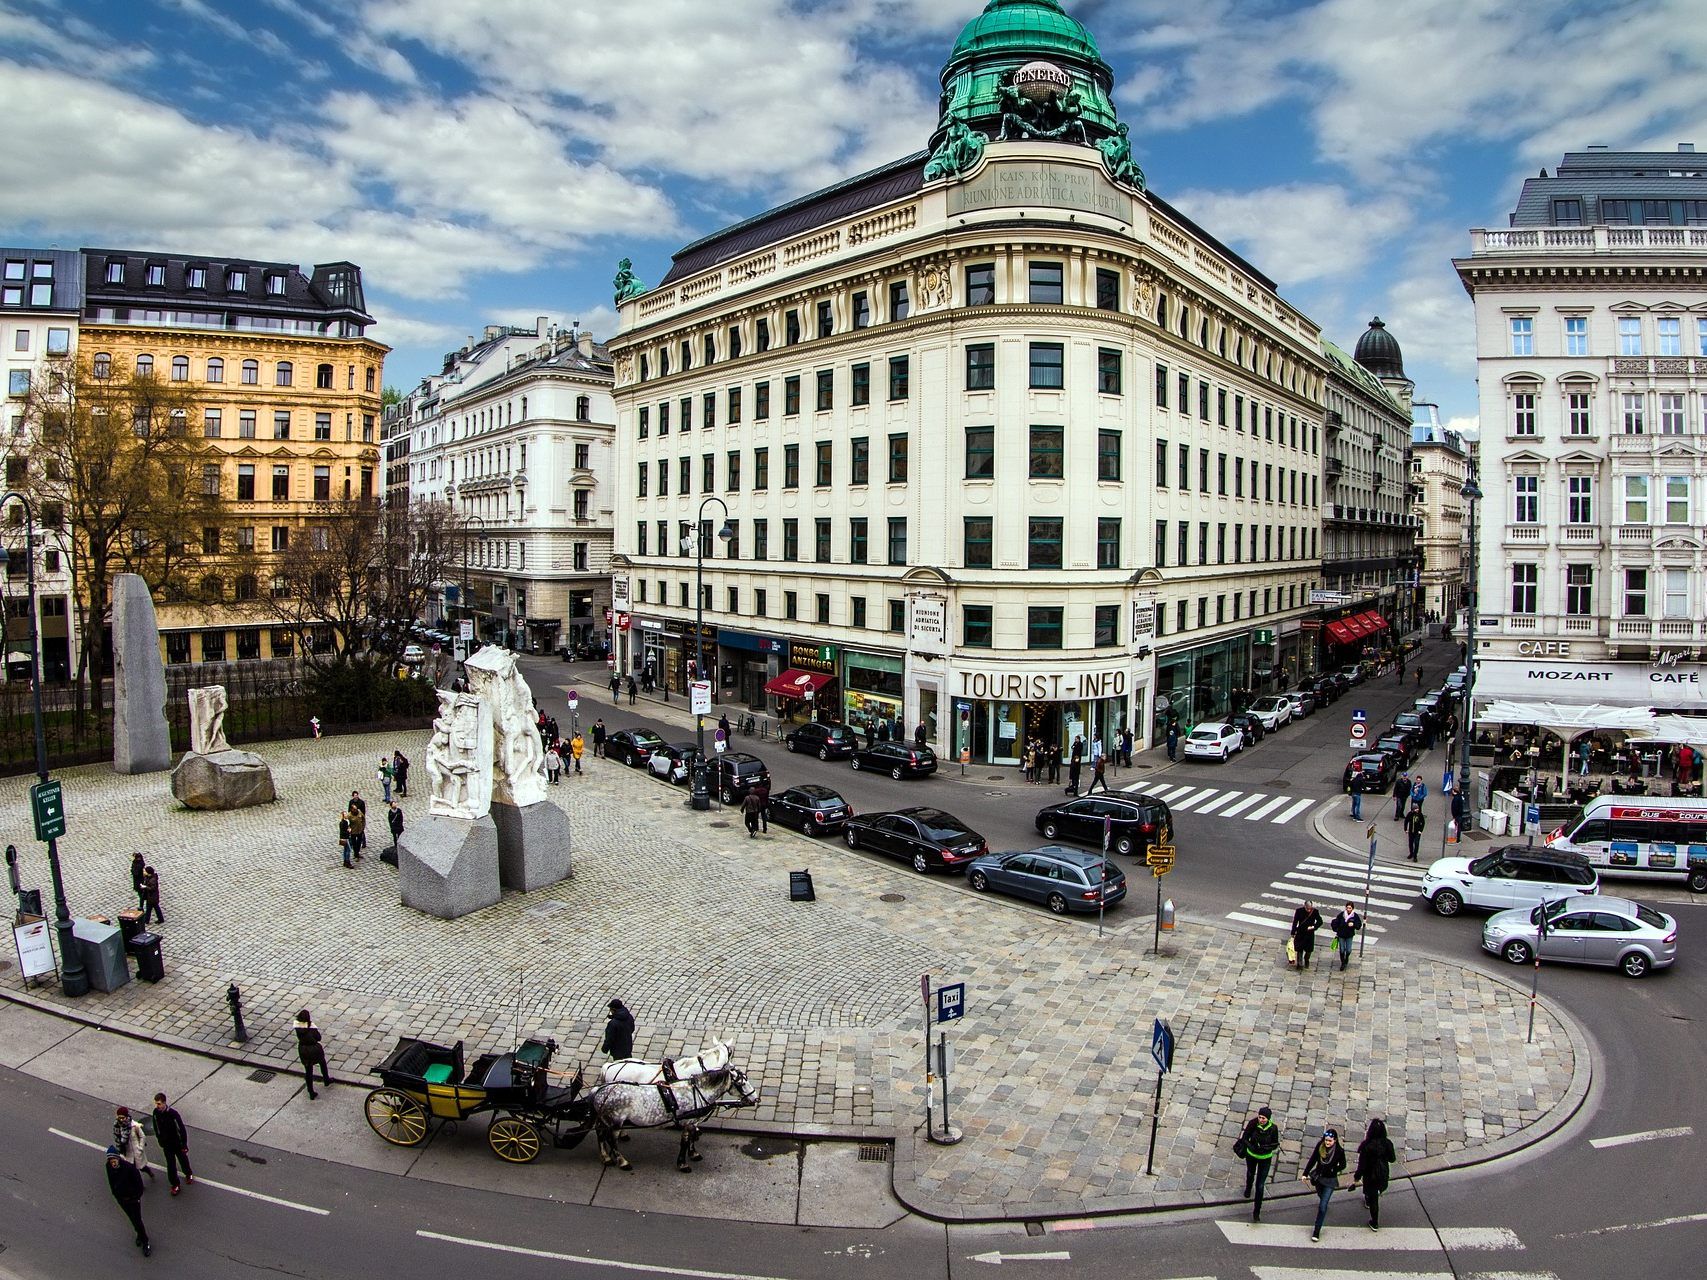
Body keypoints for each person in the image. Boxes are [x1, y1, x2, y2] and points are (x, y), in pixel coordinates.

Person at [1236, 1105, 1281, 1222]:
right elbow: (1245, 1138)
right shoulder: (1252, 1123)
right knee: (1250, 1173)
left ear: (1268, 1119)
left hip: (1265, 1158)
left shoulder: (1273, 1128)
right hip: (1252, 1155)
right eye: (1260, 1117)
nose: (1261, 1120)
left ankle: (1256, 1211)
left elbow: (1275, 1144)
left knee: (1260, 1185)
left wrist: (1265, 1148)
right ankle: (1248, 1188)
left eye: (1264, 1118)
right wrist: (1252, 1146)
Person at [1302, 1127, 1348, 1241]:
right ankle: (1324, 1200)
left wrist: (1335, 1169)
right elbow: (1313, 1159)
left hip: (1330, 1180)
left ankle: (1316, 1231)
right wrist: (1305, 1173)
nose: (1327, 1142)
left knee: (1322, 1206)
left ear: (1335, 1141)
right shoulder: (1320, 1146)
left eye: (1330, 1141)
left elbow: (1343, 1164)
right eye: (1326, 1140)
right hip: (1319, 1178)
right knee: (1320, 1194)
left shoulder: (1339, 1151)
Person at [1351, 1117, 1395, 1231]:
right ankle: (1373, 1218)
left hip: (1370, 1176)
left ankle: (1374, 1221)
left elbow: (1362, 1166)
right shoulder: (1387, 1144)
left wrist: (1356, 1177)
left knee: (1372, 1197)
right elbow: (1392, 1159)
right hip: (1382, 1174)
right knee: (1375, 1195)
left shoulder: (1366, 1146)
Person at [106, 1147, 151, 1256]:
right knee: (132, 1219)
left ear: (118, 1158)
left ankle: (145, 1241)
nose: (113, 1163)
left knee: (137, 1220)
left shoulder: (129, 1168)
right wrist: (116, 1195)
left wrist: (136, 1197)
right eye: (111, 1161)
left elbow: (139, 1185)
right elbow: (111, 1181)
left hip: (133, 1200)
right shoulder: (109, 1167)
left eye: (114, 1160)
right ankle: (139, 1235)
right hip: (122, 1200)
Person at [151, 1093, 193, 1196]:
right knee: (171, 1165)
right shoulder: (156, 1113)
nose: (157, 1106)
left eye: (159, 1104)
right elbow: (156, 1128)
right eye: (156, 1103)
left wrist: (184, 1144)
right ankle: (175, 1184)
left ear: (164, 1103)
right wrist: (160, 1140)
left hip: (177, 1144)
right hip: (166, 1145)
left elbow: (181, 1129)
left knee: (183, 1159)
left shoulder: (173, 1114)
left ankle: (188, 1173)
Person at [294, 1009, 331, 1099]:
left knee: (308, 1071)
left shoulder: (297, 1027)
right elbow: (318, 1038)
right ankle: (326, 1079)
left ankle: (311, 1091)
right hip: (314, 1049)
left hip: (303, 1050)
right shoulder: (311, 1028)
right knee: (322, 1062)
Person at [113, 1105, 152, 1179]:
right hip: (127, 1153)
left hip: (136, 1151)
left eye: (122, 1118)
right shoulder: (117, 1126)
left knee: (142, 1167)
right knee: (133, 1170)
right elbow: (117, 1138)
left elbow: (142, 1136)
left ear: (126, 1116)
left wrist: (140, 1147)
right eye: (119, 1118)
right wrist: (120, 1150)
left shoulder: (134, 1126)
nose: (121, 1120)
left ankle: (149, 1172)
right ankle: (139, 1185)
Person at [1290, 900, 1322, 969]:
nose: (1308, 910)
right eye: (1307, 908)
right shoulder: (1299, 911)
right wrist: (1293, 932)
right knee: (1299, 948)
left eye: (1310, 908)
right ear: (1305, 906)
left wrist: (1314, 927)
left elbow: (1320, 921)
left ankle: (1306, 959)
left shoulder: (1315, 912)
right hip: (1300, 932)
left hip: (1309, 933)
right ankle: (1299, 964)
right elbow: (1295, 922)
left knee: (1309, 950)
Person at [1330, 902, 1362, 970]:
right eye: (1347, 908)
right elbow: (1335, 922)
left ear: (1352, 908)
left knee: (1348, 950)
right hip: (1341, 935)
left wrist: (1353, 924)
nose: (1348, 909)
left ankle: (1346, 957)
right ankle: (1343, 963)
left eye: (1350, 908)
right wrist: (1337, 930)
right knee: (1342, 949)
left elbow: (1359, 925)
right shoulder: (1342, 915)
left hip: (1349, 935)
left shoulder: (1355, 916)